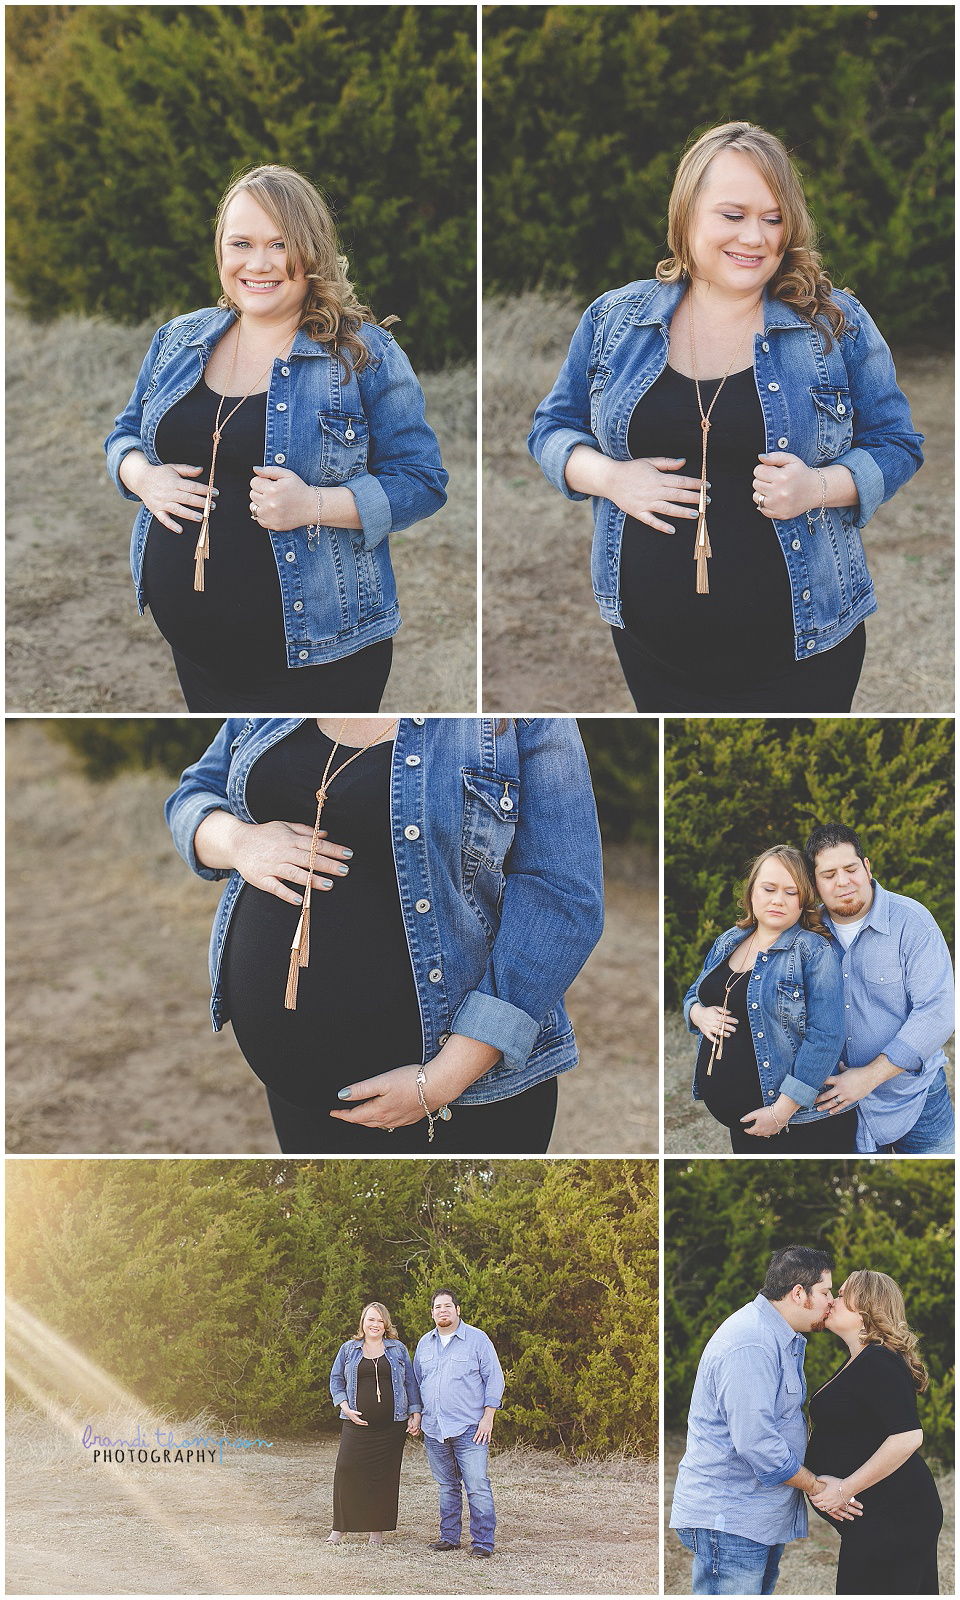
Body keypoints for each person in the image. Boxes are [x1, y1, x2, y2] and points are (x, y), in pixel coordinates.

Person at [528, 122, 923, 713]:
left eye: (772, 217)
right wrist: (612, 478)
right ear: (687, 216)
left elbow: (897, 444)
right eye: (732, 215)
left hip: (804, 654)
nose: (756, 237)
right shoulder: (616, 320)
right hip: (650, 652)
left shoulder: (833, 324)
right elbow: (551, 431)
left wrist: (818, 487)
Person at [165, 716, 604, 1154]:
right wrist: (240, 842)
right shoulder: (272, 707)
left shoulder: (519, 722)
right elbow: (191, 797)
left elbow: (563, 895)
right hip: (299, 1105)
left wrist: (437, 1083)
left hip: (461, 1101)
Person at [105, 164, 447, 712]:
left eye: (279, 244)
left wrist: (313, 504)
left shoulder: (363, 355)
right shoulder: (178, 340)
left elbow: (422, 482)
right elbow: (124, 434)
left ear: (311, 253)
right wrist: (142, 477)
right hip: (199, 661)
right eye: (240, 243)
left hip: (322, 661)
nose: (257, 264)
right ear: (220, 251)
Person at [670, 1245, 861, 1596]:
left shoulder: (778, 1337)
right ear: (798, 1293)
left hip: (755, 1518)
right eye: (825, 1292)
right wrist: (818, 1487)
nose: (831, 1301)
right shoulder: (752, 1344)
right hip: (731, 1521)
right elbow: (757, 1443)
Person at [683, 846, 853, 1152]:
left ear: (804, 901)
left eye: (791, 892)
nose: (778, 899)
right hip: (745, 1125)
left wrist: (780, 1112)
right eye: (769, 888)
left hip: (798, 1123)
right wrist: (698, 1014)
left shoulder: (811, 951)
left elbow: (826, 1037)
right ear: (751, 893)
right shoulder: (729, 940)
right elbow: (693, 993)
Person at [804, 823, 955, 1154]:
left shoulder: (912, 923)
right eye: (829, 874)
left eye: (851, 868)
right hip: (839, 1107)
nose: (843, 881)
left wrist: (868, 1077)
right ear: (814, 884)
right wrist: (698, 1009)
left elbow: (939, 1011)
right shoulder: (808, 935)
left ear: (867, 866)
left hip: (916, 1098)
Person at [805, 1270, 943, 1595]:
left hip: (895, 1517)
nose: (831, 1301)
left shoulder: (878, 1360)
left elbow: (908, 1437)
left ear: (866, 1305)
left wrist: (844, 1489)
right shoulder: (859, 1359)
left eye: (840, 1295)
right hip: (883, 1519)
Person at [413, 1290, 504, 1560]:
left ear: (457, 1310)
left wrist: (488, 1417)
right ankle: (449, 1537)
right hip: (434, 1429)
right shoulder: (425, 1344)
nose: (443, 1311)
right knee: (446, 1485)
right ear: (432, 1313)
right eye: (437, 1307)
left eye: (448, 1306)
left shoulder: (477, 1340)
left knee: (477, 1485)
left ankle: (483, 1543)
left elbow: (495, 1379)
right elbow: (418, 1383)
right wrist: (416, 1414)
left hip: (470, 1429)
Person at [328, 1301, 422, 1547]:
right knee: (346, 1470)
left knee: (384, 1476)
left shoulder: (397, 1349)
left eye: (380, 1320)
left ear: (386, 1325)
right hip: (356, 1423)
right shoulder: (349, 1349)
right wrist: (345, 1406)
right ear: (363, 1322)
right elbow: (336, 1380)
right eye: (371, 1319)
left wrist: (415, 1412)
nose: (375, 1324)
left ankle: (376, 1532)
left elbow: (410, 1382)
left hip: (392, 1426)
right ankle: (339, 1528)